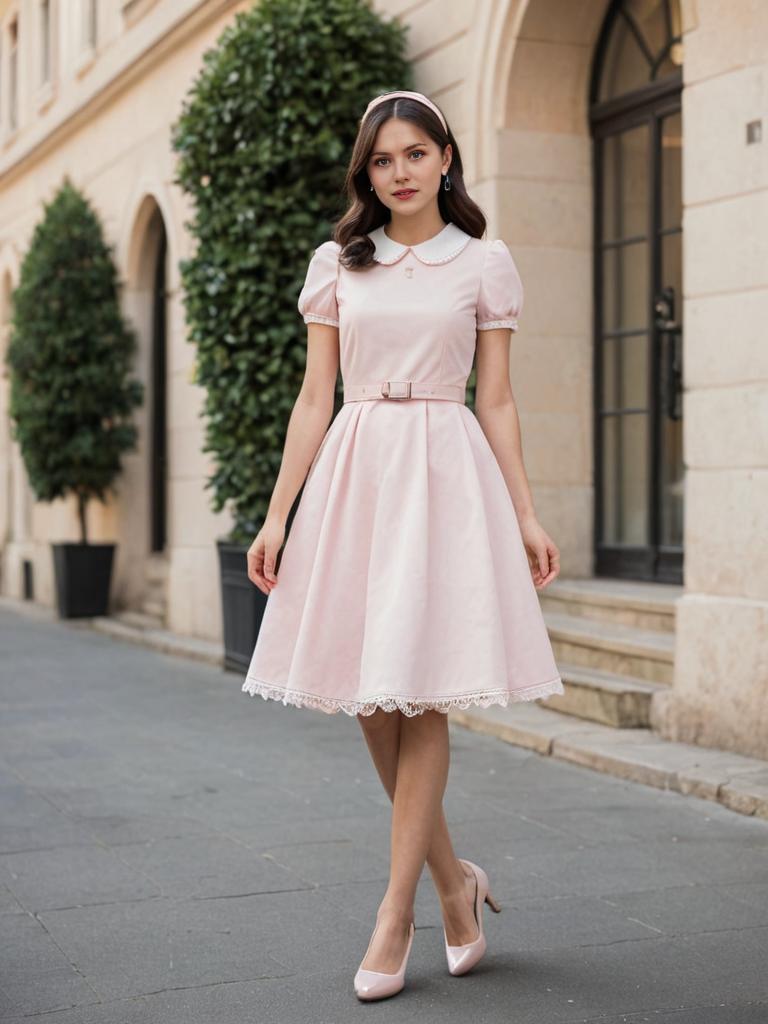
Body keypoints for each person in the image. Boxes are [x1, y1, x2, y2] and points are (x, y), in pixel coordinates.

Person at [242, 89, 564, 1001]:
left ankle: (397, 912)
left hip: (444, 476)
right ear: (366, 173)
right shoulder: (339, 265)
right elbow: (315, 398)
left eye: (415, 154)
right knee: (370, 696)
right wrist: (276, 515)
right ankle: (456, 884)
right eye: (383, 161)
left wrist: (527, 511)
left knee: (421, 696)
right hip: (356, 473)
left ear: (447, 157)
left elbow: (494, 398)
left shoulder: (483, 264)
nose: (400, 173)